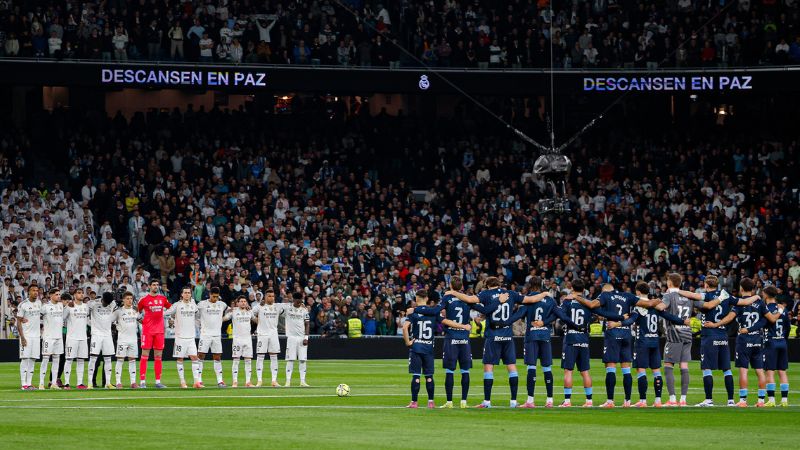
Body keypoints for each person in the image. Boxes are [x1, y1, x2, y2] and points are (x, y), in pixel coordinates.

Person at [446, 276, 547, 408]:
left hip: (493, 335)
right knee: (511, 367)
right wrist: (544, 293)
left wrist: (453, 292)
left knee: (488, 367)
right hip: (507, 335)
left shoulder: (486, 294)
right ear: (499, 284)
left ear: (487, 285)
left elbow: (469, 299)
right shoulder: (510, 294)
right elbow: (532, 299)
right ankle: (513, 401)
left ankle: (487, 402)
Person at [572, 283, 661, 407]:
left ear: (605, 290)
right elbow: (650, 304)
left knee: (611, 368)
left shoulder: (605, 295)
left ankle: (610, 401)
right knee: (626, 370)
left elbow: (592, 305)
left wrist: (576, 297)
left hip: (613, 333)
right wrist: (660, 299)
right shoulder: (627, 295)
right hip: (626, 334)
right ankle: (627, 401)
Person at [678, 275, 758, 407]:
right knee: (726, 369)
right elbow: (744, 302)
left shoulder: (707, 296)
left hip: (709, 335)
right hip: (723, 335)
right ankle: (731, 400)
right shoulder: (726, 296)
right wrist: (756, 297)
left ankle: (709, 400)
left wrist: (676, 290)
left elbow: (691, 295)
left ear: (706, 285)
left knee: (707, 368)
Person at [607, 282, 689, 407]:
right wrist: (683, 321)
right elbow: (669, 316)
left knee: (641, 370)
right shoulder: (656, 305)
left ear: (638, 292)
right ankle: (658, 401)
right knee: (656, 371)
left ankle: (643, 401)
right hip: (655, 341)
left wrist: (617, 324)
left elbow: (631, 320)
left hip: (642, 342)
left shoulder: (638, 307)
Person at [503, 277, 580, 408]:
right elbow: (560, 315)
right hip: (545, 336)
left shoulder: (528, 299)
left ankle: (530, 400)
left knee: (531, 367)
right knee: (547, 368)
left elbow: (518, 315)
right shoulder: (550, 300)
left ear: (529, 286)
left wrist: (504, 322)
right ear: (542, 285)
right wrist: (575, 325)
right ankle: (549, 400)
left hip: (531, 336)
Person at [413, 279, 473, 408]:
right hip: (464, 338)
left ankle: (450, 402)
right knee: (465, 371)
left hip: (451, 337)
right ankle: (464, 402)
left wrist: (415, 310)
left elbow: (435, 311)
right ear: (462, 286)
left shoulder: (448, 298)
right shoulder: (468, 299)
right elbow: (485, 307)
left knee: (450, 371)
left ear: (451, 286)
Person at [660, 273, 696, 406]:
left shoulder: (668, 295)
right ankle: (683, 400)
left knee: (668, 365)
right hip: (687, 333)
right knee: (684, 365)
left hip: (674, 334)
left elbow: (661, 307)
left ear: (669, 283)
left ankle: (672, 399)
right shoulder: (689, 296)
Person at [731, 278, 768, 407]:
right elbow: (765, 321)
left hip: (744, 340)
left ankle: (742, 401)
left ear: (741, 289)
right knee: (759, 370)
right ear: (753, 289)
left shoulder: (739, 303)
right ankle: (761, 401)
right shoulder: (760, 302)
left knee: (743, 370)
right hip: (758, 339)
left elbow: (731, 318)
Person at [559, 280, 596, 407]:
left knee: (568, 371)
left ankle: (567, 401)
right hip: (584, 338)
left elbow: (561, 316)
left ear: (572, 288)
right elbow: (594, 317)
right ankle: (589, 401)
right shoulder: (587, 303)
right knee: (585, 371)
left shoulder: (568, 301)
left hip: (571, 338)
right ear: (584, 289)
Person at [403, 295, 443, 408]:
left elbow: (404, 327)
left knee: (416, 376)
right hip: (429, 347)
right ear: (427, 299)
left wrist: (408, 342)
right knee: (429, 376)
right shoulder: (434, 313)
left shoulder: (412, 313)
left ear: (416, 299)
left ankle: (414, 402)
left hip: (416, 347)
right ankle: (431, 402)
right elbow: (443, 322)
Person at [165, 287, 201, 389]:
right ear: (182, 294)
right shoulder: (177, 305)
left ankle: (196, 382)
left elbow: (198, 315)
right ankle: (182, 381)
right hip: (180, 337)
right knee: (180, 359)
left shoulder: (193, 306)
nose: (187, 294)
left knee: (194, 358)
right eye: (185, 293)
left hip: (191, 338)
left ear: (191, 294)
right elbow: (167, 312)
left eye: (189, 293)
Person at [137, 279, 170, 388]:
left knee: (158, 356)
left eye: (157, 285)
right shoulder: (144, 300)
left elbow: (171, 309)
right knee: (145, 355)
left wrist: (171, 319)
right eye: (154, 285)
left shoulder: (163, 299)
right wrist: (140, 320)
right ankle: (142, 381)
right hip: (147, 331)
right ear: (149, 286)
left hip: (159, 331)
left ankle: (158, 381)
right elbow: (136, 311)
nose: (156, 286)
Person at [252, 288, 288, 387]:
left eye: (272, 296)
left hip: (273, 334)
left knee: (274, 356)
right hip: (262, 334)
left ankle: (274, 380)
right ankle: (259, 380)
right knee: (260, 357)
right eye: (269, 296)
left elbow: (290, 308)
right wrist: (258, 322)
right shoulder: (259, 306)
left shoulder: (278, 307)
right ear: (265, 296)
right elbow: (250, 314)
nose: (271, 298)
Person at [761, 286, 790, 407]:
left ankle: (771, 400)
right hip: (782, 342)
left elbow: (763, 324)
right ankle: (784, 401)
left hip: (770, 342)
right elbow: (788, 327)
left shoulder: (765, 309)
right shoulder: (782, 309)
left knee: (770, 372)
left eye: (763, 293)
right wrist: (783, 338)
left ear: (766, 295)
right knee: (782, 371)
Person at [197, 286, 229, 387]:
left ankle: (220, 381)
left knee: (217, 357)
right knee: (201, 356)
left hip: (217, 335)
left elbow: (230, 310)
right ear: (210, 295)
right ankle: (199, 380)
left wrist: (224, 318)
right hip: (205, 334)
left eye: (217, 297)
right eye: (214, 296)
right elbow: (194, 313)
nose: (215, 299)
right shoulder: (202, 304)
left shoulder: (222, 304)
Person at [87, 292, 117, 389]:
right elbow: (86, 315)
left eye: (108, 303)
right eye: (105, 303)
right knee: (93, 359)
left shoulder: (112, 304)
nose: (106, 305)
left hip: (107, 335)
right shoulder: (93, 304)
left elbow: (115, 315)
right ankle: (90, 383)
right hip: (96, 335)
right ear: (102, 299)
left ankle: (107, 383)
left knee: (108, 359)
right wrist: (91, 325)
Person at [16, 289, 42, 390]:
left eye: (37, 291)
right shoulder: (23, 305)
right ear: (29, 292)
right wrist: (22, 337)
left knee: (32, 359)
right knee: (25, 359)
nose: (36, 292)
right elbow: (18, 322)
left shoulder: (39, 303)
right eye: (33, 290)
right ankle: (24, 384)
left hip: (36, 336)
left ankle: (29, 383)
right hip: (26, 336)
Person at [63, 291, 90, 389]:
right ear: (74, 295)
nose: (81, 294)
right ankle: (66, 383)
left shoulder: (86, 306)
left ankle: (80, 383)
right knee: (69, 360)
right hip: (72, 338)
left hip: (83, 337)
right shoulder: (69, 306)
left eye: (82, 293)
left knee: (81, 360)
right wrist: (66, 306)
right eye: (79, 293)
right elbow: (63, 317)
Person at [112, 292, 139, 388]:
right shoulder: (118, 311)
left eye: (131, 298)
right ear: (123, 300)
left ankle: (133, 382)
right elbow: (110, 320)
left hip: (133, 339)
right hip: (122, 339)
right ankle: (118, 382)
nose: (129, 300)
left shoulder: (135, 310)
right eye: (127, 298)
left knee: (132, 360)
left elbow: (140, 320)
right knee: (120, 359)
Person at [39, 288, 64, 390]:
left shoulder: (60, 306)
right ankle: (41, 383)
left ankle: (54, 383)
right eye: (57, 294)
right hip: (48, 337)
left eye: (59, 294)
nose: (59, 296)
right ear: (51, 295)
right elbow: (38, 318)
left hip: (59, 337)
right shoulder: (45, 307)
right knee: (45, 360)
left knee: (56, 360)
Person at [227, 295, 254, 388]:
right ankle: (235, 381)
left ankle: (248, 382)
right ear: (237, 303)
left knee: (248, 360)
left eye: (244, 301)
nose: (243, 303)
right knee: (236, 360)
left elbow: (256, 320)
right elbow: (225, 318)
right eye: (241, 301)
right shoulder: (234, 312)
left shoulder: (250, 312)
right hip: (237, 340)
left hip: (248, 339)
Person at [284, 291, 310, 387]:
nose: (299, 303)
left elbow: (307, 324)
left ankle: (302, 381)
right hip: (291, 338)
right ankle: (288, 381)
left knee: (303, 360)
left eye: (301, 301)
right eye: (297, 301)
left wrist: (306, 337)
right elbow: (277, 306)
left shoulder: (304, 310)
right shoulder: (287, 308)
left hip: (301, 337)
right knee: (290, 360)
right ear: (294, 300)